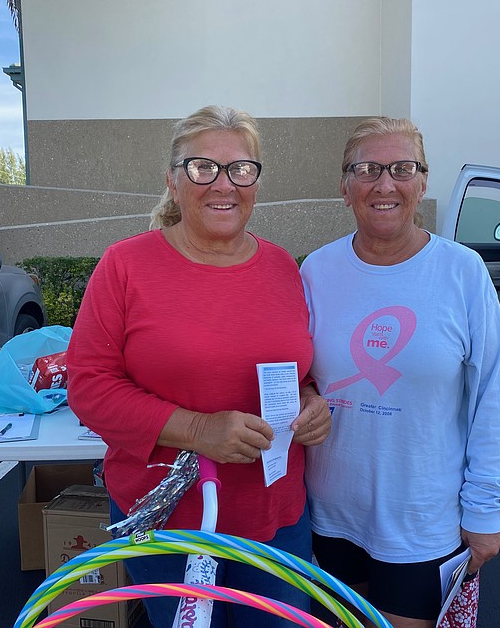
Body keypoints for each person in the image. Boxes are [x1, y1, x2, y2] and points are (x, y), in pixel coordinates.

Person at [66, 105, 331, 628]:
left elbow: (297, 371)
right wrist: (197, 430)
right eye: (203, 167)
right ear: (173, 179)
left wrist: (310, 403)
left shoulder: (283, 267)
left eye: (241, 169)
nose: (224, 184)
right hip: (169, 522)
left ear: (256, 182)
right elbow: (89, 386)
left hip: (275, 518)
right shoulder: (125, 265)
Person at [300, 117, 500, 628]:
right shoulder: (316, 270)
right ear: (345, 187)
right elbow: (299, 369)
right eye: (367, 170)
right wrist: (308, 393)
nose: (385, 184)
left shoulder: (462, 272)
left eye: (402, 168)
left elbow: (493, 397)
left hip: (422, 519)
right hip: (329, 514)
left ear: (422, 182)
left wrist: (486, 508)